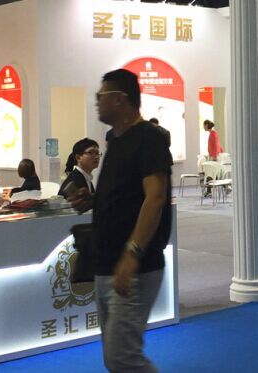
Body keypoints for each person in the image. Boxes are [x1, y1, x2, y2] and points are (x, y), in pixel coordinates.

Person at [69, 69, 172, 372]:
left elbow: (155, 198)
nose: (96, 102)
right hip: (106, 265)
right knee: (116, 358)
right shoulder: (115, 140)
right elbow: (127, 193)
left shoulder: (149, 138)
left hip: (135, 267)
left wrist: (133, 252)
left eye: (100, 96)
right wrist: (94, 200)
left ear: (119, 99)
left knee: (122, 357)